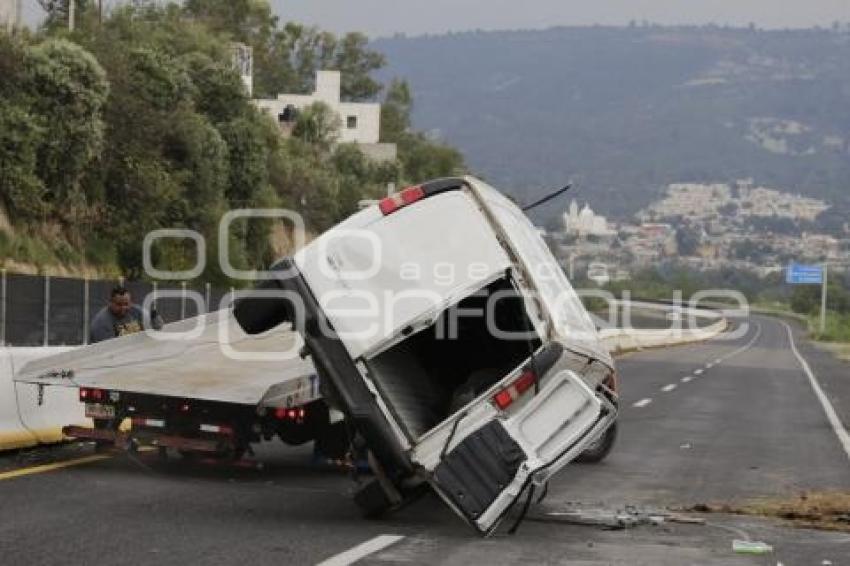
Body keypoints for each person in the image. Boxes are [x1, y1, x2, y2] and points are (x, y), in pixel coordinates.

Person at [89, 286, 164, 343]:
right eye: (119, 304)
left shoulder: (137, 311)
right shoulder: (101, 323)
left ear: (130, 302)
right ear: (110, 302)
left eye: (126, 304)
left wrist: (155, 319)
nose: (123, 308)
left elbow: (157, 328)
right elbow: (106, 350)